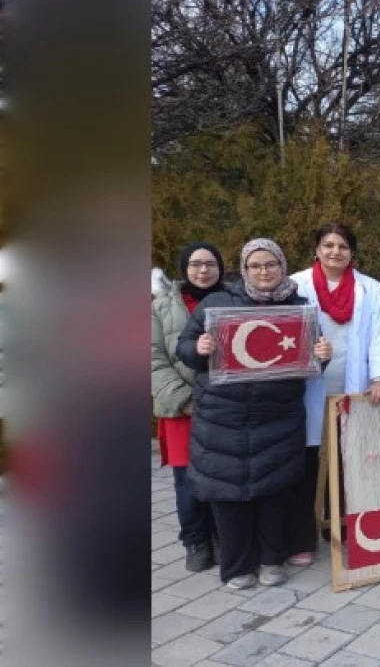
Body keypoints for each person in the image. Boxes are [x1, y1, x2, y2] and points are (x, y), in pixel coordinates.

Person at [176, 238, 333, 589]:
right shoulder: (217, 303)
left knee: (274, 493)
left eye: (271, 264)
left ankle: (271, 561)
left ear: (282, 266)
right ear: (244, 269)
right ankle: (237, 567)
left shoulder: (300, 307)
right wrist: (198, 348)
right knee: (228, 498)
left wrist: (323, 353)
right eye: (256, 266)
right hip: (222, 419)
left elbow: (311, 360)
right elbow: (183, 346)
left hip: (277, 416)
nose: (264, 272)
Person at [288, 223, 380, 566]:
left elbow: (379, 334)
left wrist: (379, 377)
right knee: (307, 462)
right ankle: (302, 535)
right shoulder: (296, 285)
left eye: (343, 246)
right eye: (328, 245)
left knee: (350, 458)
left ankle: (346, 525)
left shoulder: (369, 288)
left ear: (352, 253)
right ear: (317, 250)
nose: (335, 252)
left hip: (354, 383)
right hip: (308, 386)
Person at [152, 241, 223, 572]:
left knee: (224, 473)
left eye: (210, 264)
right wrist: (182, 399)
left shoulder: (232, 300)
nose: (204, 270)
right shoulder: (161, 307)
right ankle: (196, 540)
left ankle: (224, 535)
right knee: (188, 479)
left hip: (225, 406)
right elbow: (152, 359)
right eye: (196, 264)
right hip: (184, 407)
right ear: (185, 269)